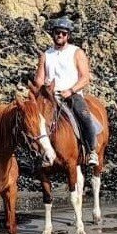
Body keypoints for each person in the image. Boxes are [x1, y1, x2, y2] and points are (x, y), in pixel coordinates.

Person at [34, 16, 98, 165]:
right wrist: (42, 86)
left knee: (85, 116)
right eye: (57, 32)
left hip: (71, 94)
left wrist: (71, 90)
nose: (60, 35)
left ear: (68, 35)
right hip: (50, 96)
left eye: (63, 33)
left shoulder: (77, 52)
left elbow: (85, 77)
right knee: (33, 119)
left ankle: (91, 151)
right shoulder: (46, 55)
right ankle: (39, 153)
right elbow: (39, 79)